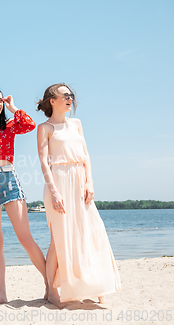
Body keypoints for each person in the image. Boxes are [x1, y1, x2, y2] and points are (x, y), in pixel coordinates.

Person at [36, 83, 121, 307]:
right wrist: (54, 191)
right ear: (52, 101)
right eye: (65, 95)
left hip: (80, 181)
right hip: (59, 182)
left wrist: (89, 181)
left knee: (91, 232)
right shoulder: (45, 128)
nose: (70, 98)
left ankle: (95, 283)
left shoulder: (77, 124)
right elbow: (44, 163)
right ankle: (52, 290)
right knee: (59, 239)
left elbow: (86, 155)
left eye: (71, 95)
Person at [0, 87, 48, 305]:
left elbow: (29, 124)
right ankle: (2, 294)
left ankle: (50, 284)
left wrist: (13, 108)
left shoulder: (10, 126)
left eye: (0, 100)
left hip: (8, 181)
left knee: (25, 237)